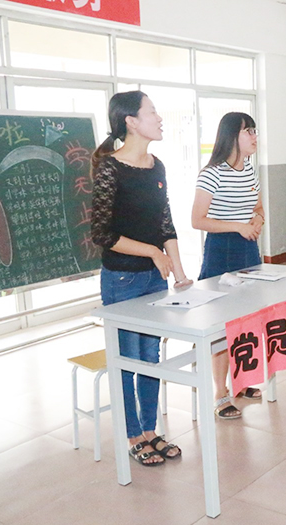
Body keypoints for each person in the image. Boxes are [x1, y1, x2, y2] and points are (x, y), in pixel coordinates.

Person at [91, 91, 192, 466]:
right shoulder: (110, 168)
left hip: (154, 279)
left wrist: (179, 272)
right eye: (152, 112)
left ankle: (150, 430)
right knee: (128, 358)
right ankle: (133, 435)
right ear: (131, 121)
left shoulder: (156, 166)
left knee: (151, 357)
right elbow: (102, 233)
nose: (160, 118)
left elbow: (165, 223)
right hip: (122, 279)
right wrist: (152, 252)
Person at [191, 112, 265, 419]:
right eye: (249, 131)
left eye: (255, 131)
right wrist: (238, 226)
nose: (255, 137)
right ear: (232, 135)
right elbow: (197, 220)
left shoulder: (249, 170)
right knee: (222, 326)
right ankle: (220, 393)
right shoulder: (212, 174)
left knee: (246, 319)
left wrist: (257, 220)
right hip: (221, 250)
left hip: (248, 248)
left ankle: (242, 381)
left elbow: (258, 207)